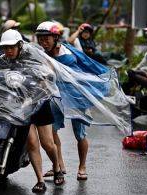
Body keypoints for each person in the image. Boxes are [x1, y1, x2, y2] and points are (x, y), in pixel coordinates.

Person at [35, 21, 122, 181]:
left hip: (77, 97)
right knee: (52, 131)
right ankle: (59, 165)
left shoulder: (66, 56)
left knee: (79, 134)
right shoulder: (45, 53)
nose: (43, 42)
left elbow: (55, 70)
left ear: (55, 38)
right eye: (40, 38)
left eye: (46, 38)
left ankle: (82, 166)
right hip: (57, 96)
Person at [0, 29, 64, 193]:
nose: (8, 51)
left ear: (20, 45)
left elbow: (50, 72)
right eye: (5, 48)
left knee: (48, 144)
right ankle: (40, 180)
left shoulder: (33, 54)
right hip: (20, 106)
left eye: (11, 47)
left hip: (40, 103)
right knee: (32, 143)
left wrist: (44, 80)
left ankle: (57, 168)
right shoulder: (4, 59)